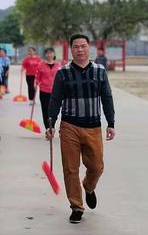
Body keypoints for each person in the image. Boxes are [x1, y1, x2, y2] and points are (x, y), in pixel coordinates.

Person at [47, 34, 116, 224]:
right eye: (76, 46)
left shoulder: (100, 71)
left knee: (97, 167)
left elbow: (107, 98)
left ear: (89, 48)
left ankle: (89, 186)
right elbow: (55, 99)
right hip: (70, 126)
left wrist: (111, 122)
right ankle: (76, 206)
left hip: (93, 126)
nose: (80, 49)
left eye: (83, 46)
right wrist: (50, 124)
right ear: (71, 50)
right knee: (70, 169)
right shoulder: (63, 73)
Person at [34, 47, 60, 130]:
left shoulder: (58, 65)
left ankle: (52, 126)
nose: (49, 55)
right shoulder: (41, 65)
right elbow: (37, 77)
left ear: (54, 54)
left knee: (54, 110)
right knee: (45, 110)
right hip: (44, 90)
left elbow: (61, 78)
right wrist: (36, 83)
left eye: (51, 53)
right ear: (45, 55)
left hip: (56, 91)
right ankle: (48, 128)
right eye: (47, 53)